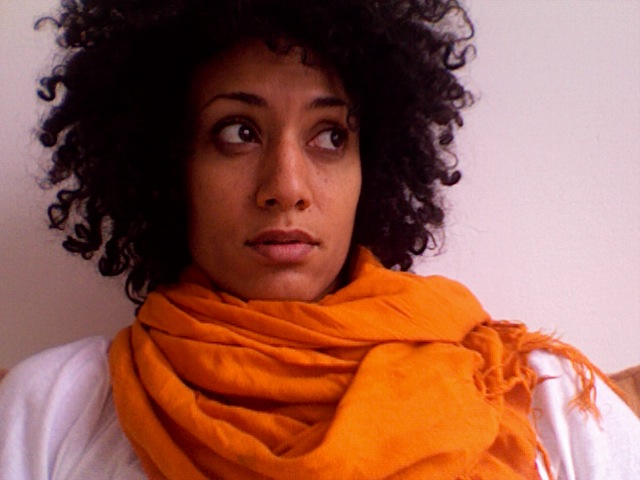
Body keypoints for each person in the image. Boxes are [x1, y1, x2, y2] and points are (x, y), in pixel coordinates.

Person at [0, 0, 638, 479]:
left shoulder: (542, 398)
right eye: (237, 132)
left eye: (330, 136)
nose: (286, 187)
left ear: (371, 168)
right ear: (171, 168)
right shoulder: (55, 409)